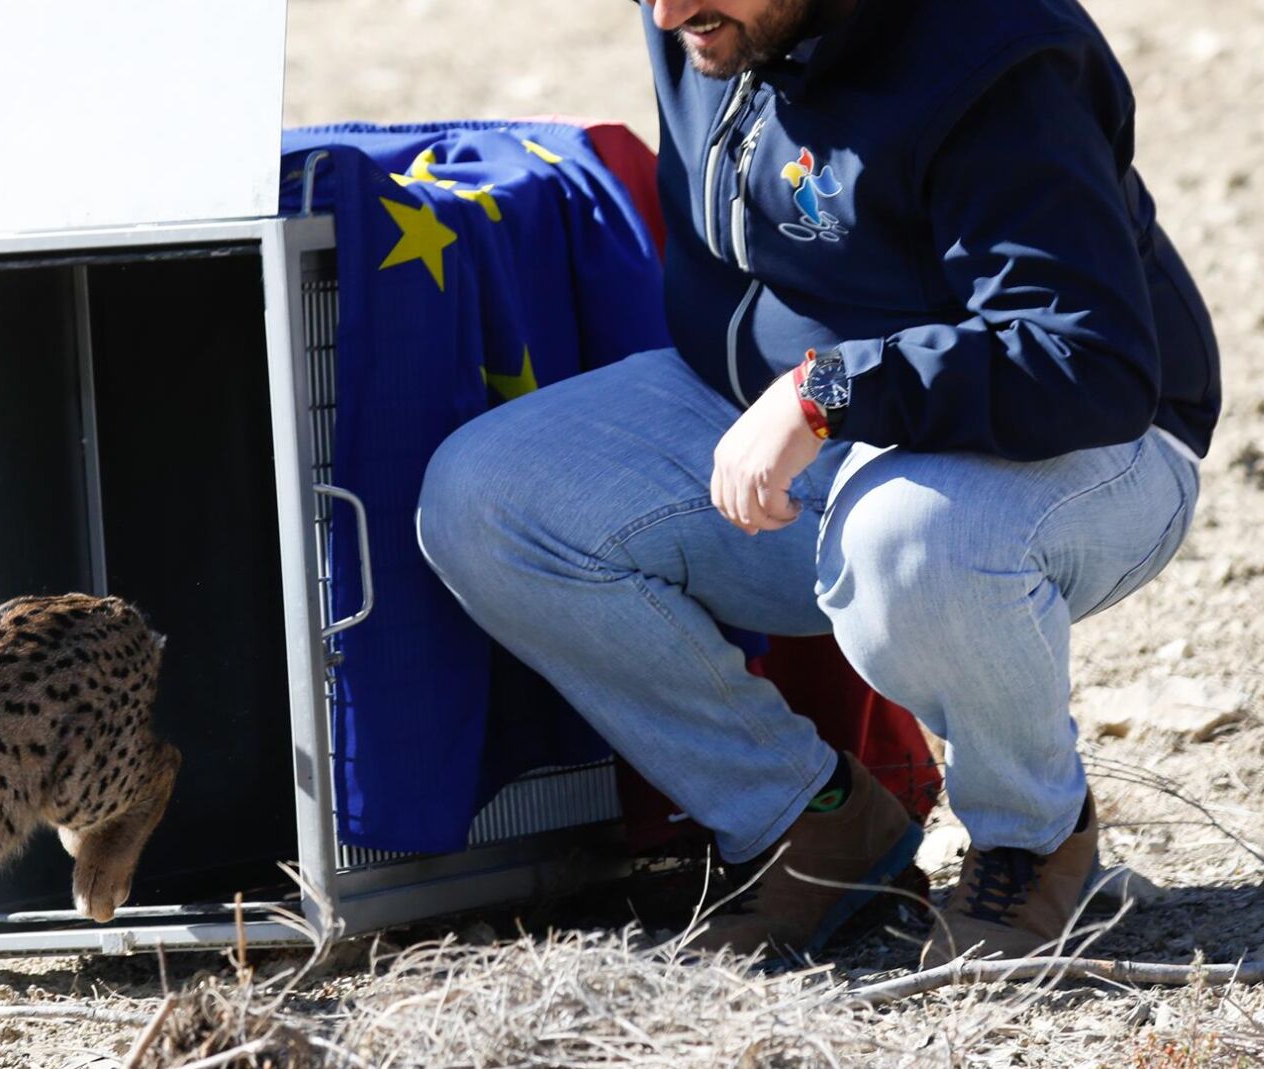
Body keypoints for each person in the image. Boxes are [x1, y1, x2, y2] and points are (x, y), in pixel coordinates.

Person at [416, 0, 1218, 962]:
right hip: (788, 414)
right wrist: (809, 398)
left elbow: (1086, 362)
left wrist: (827, 390)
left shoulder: (997, 51)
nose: (669, 14)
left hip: (1077, 444)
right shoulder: (708, 15)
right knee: (489, 498)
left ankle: (1034, 841)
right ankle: (810, 822)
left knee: (911, 543)